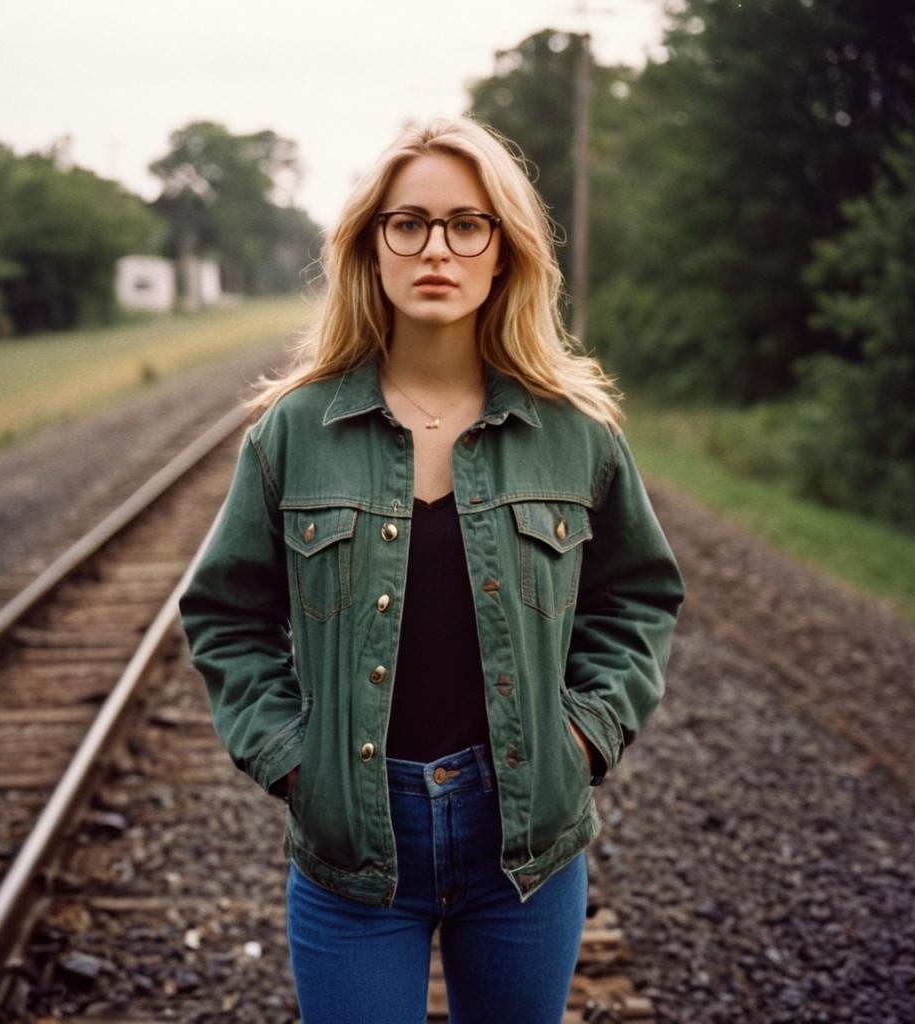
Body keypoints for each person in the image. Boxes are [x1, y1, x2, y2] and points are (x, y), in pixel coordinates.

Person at [178, 116, 685, 1024]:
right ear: (372, 248)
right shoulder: (295, 431)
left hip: (523, 847)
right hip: (353, 852)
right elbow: (225, 614)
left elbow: (638, 599)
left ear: (505, 251)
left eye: (467, 224)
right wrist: (292, 761)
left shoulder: (575, 432)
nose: (436, 248)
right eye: (408, 224)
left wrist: (586, 734)